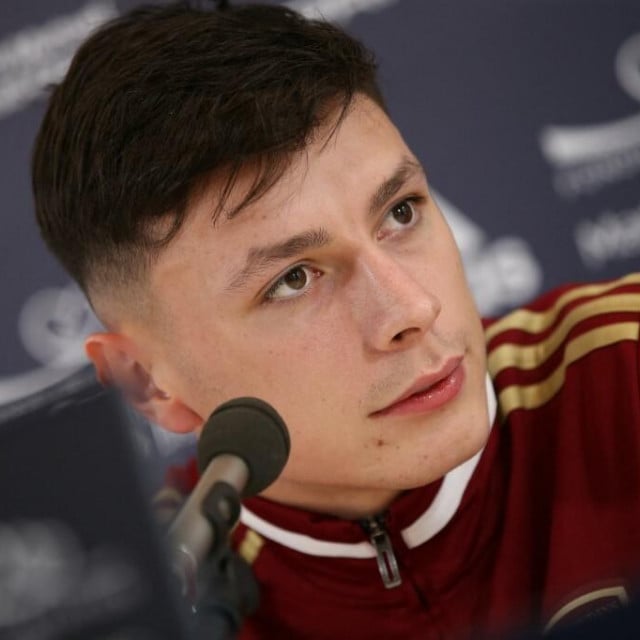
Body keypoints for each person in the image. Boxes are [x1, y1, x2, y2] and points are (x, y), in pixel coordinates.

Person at [31, 2, 640, 638]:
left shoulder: (624, 370)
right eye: (293, 279)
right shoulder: (144, 604)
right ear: (147, 382)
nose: (411, 310)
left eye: (401, 213)